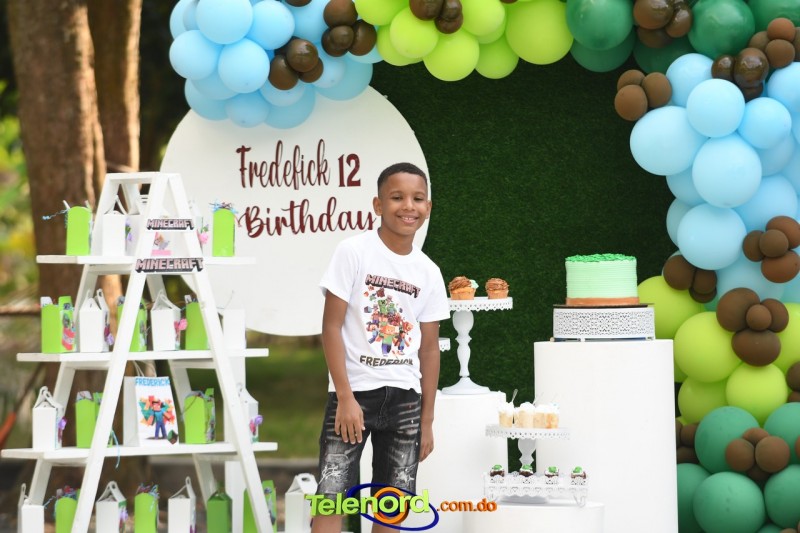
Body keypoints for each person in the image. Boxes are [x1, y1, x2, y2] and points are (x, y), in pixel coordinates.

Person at [312, 162, 450, 533]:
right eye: (397, 197)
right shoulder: (353, 252)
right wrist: (344, 396)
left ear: (428, 207)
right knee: (332, 499)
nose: (408, 206)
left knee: (393, 507)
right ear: (378, 205)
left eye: (418, 199)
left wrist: (426, 420)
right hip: (353, 394)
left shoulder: (428, 272)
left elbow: (429, 350)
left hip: (405, 401)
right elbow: (330, 326)